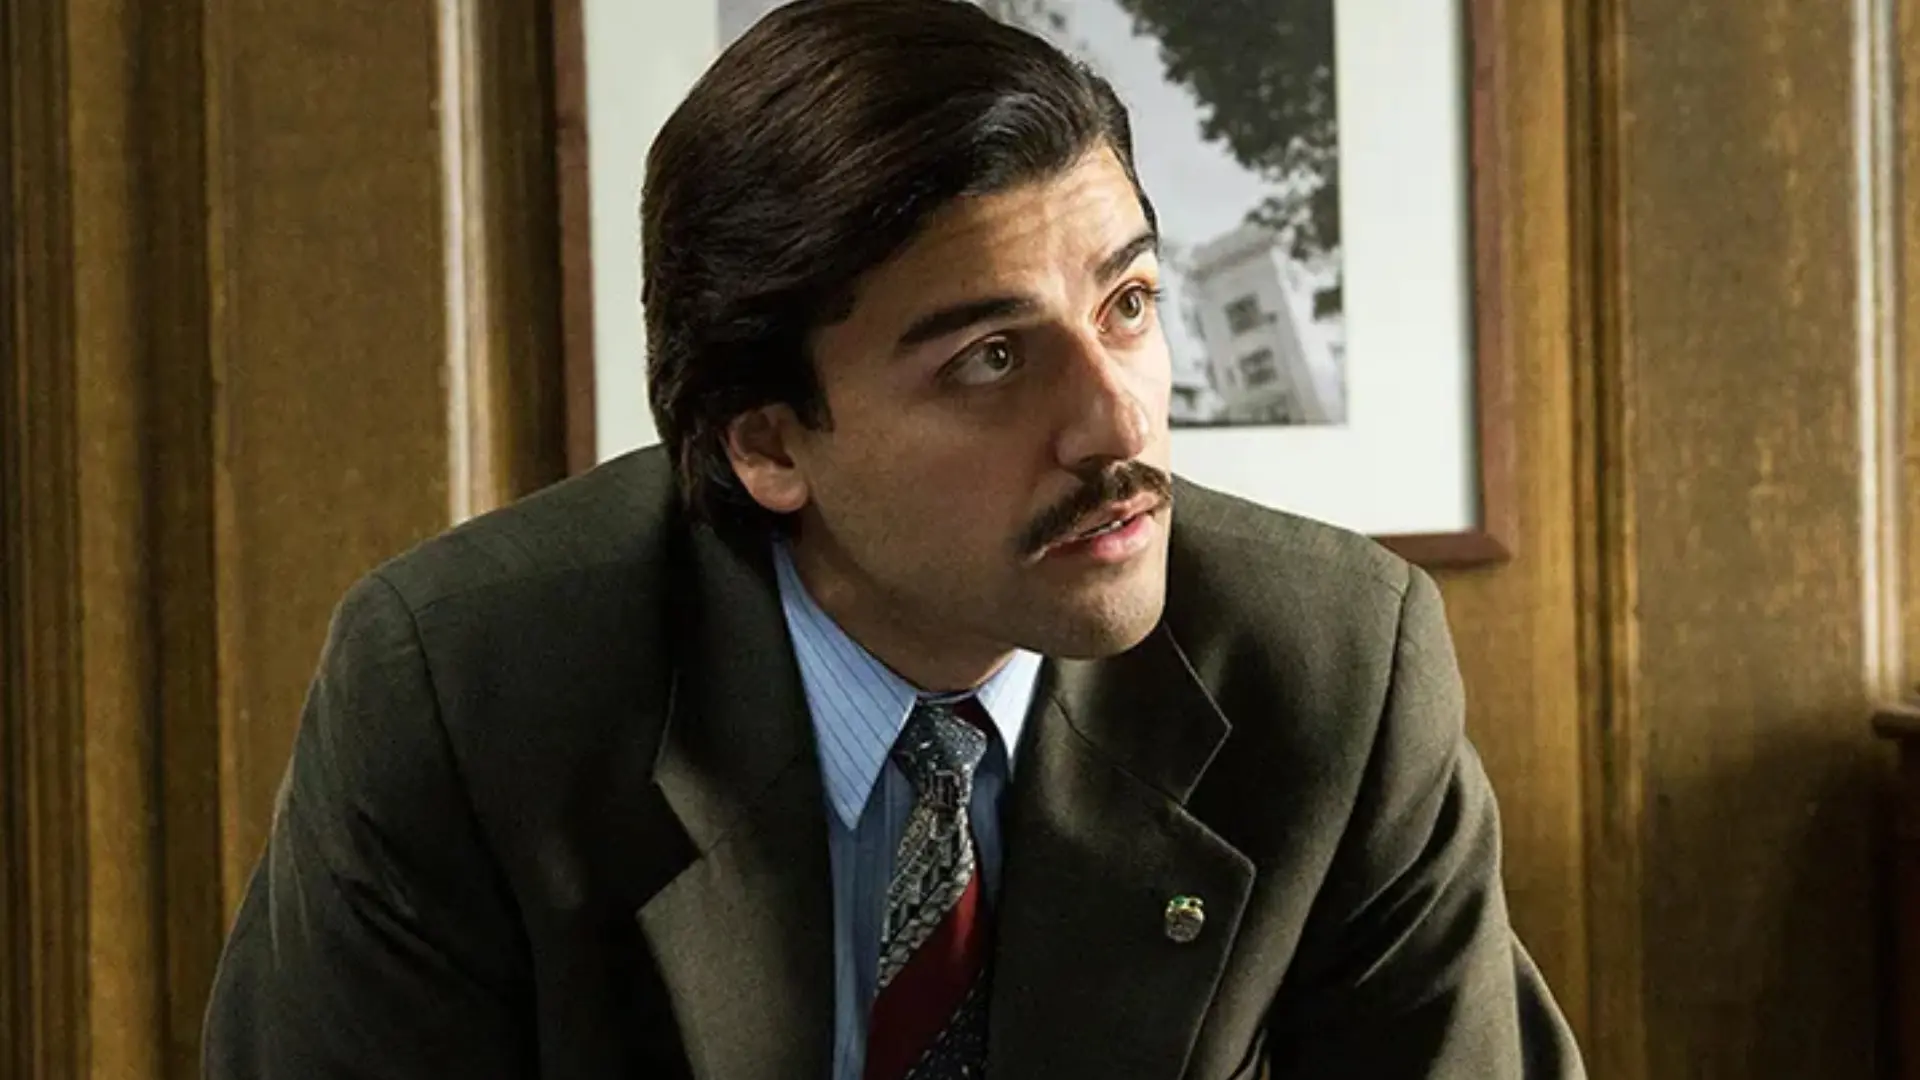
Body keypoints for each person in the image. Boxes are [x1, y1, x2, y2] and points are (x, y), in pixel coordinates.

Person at [202, 0, 1586, 1076]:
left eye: (1127, 306)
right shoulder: (465, 691)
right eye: (992, 358)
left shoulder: (1335, 667)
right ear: (768, 445)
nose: (1118, 424)